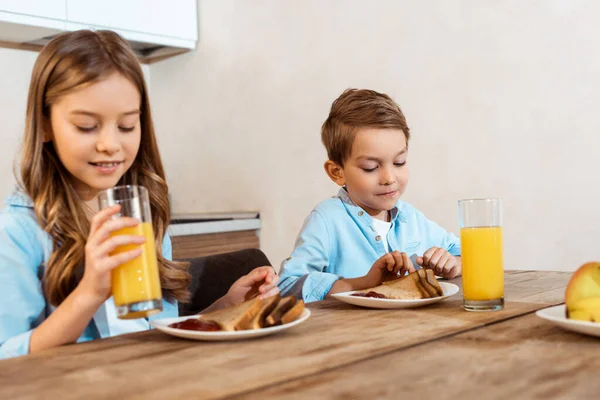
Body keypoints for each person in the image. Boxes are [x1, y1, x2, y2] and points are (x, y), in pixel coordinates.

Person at [0, 30, 278, 359]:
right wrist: (89, 293)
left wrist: (226, 307)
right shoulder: (18, 233)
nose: (110, 144)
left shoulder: (140, 214)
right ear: (44, 125)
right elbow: (8, 358)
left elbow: (152, 334)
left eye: (128, 126)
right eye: (87, 126)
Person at [278, 89, 461, 303]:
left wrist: (454, 264)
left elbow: (469, 253)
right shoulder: (327, 220)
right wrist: (363, 283)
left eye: (399, 162)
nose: (389, 178)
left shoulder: (410, 218)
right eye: (370, 167)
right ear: (337, 172)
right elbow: (287, 286)